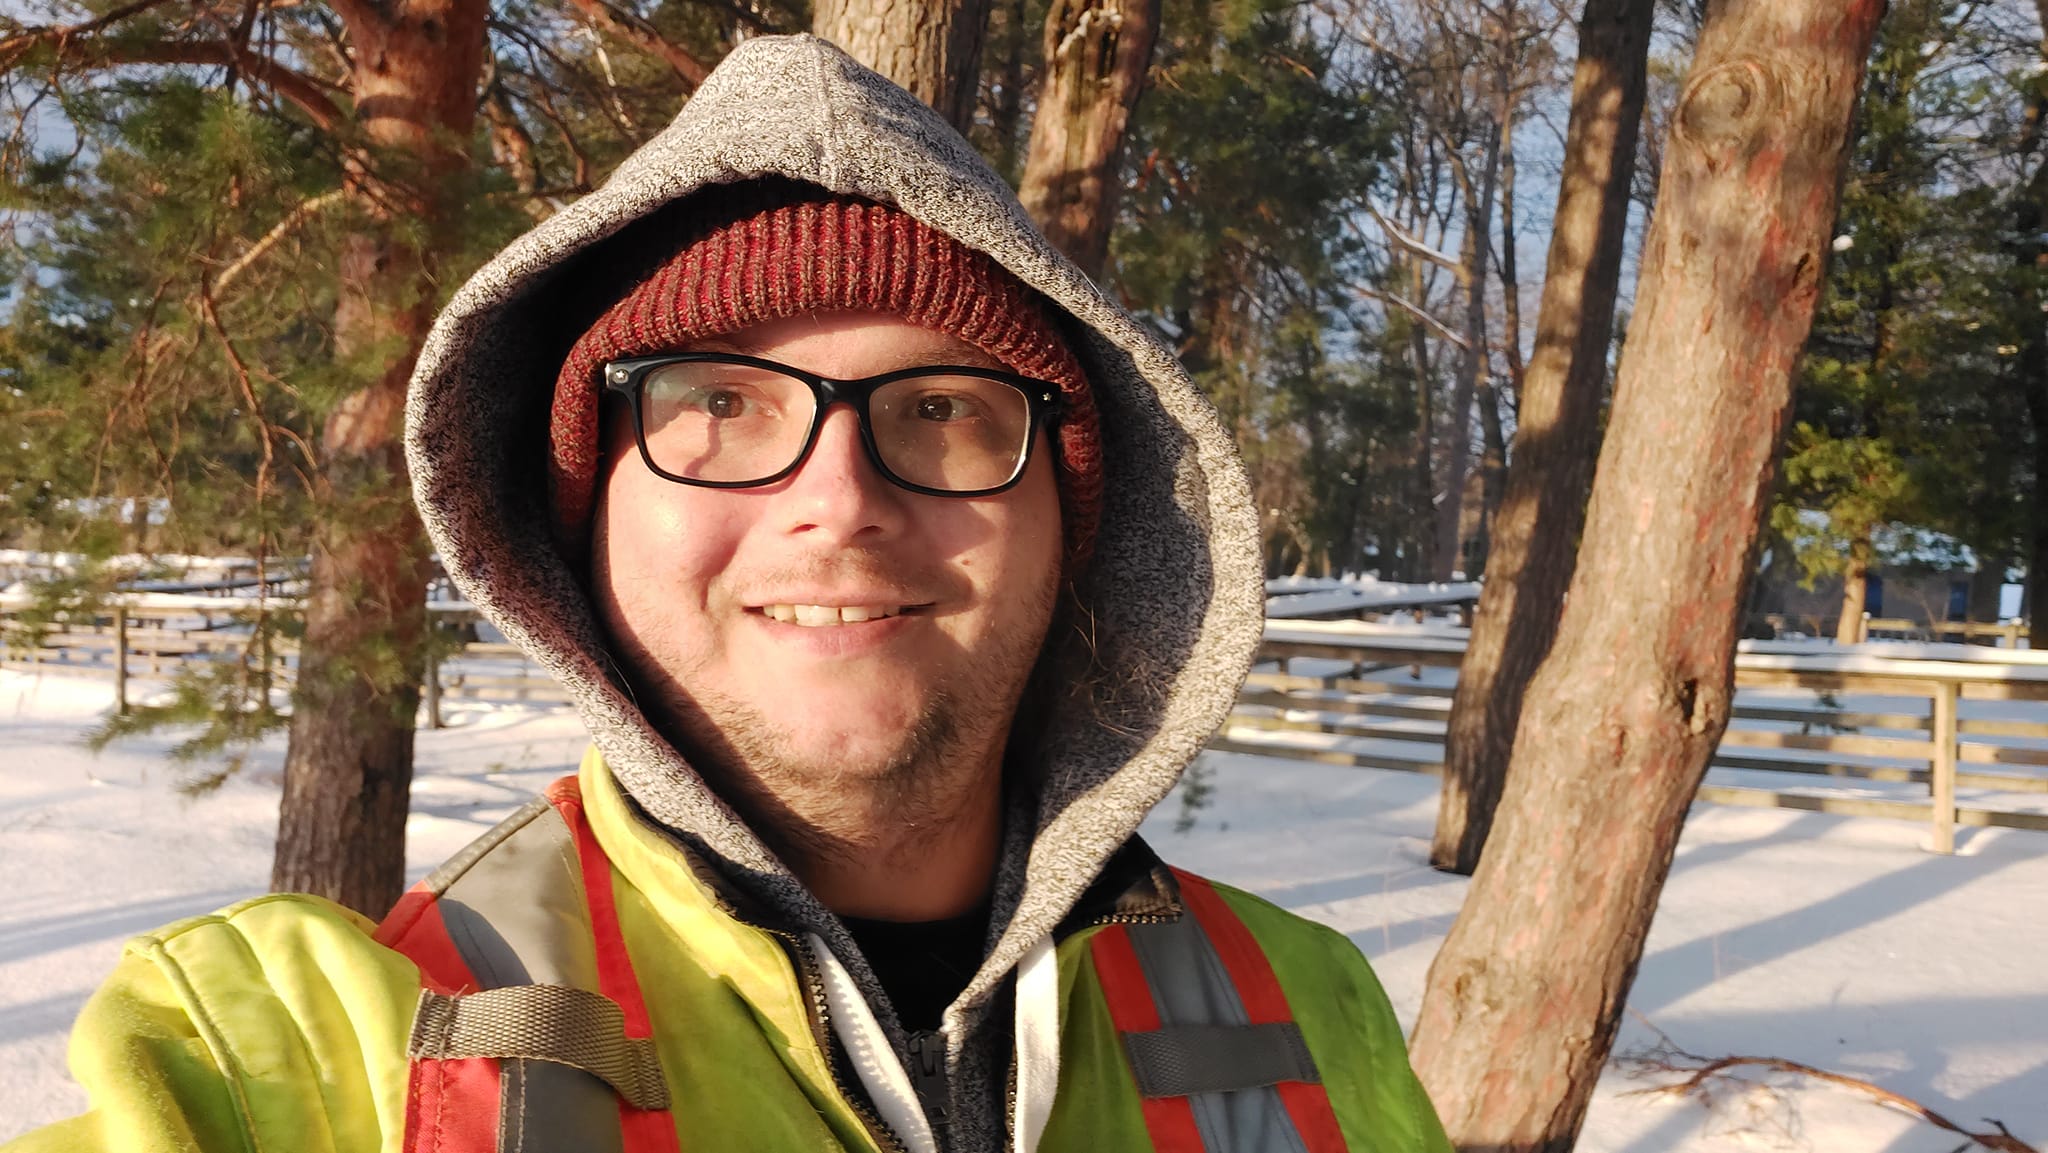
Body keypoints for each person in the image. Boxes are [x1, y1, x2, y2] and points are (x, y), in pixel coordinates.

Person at [6, 35, 1452, 1153]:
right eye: (715, 404)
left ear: (1076, 521)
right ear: (578, 523)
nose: (838, 497)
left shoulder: (1309, 1008)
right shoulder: (301, 1062)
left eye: (943, 407)